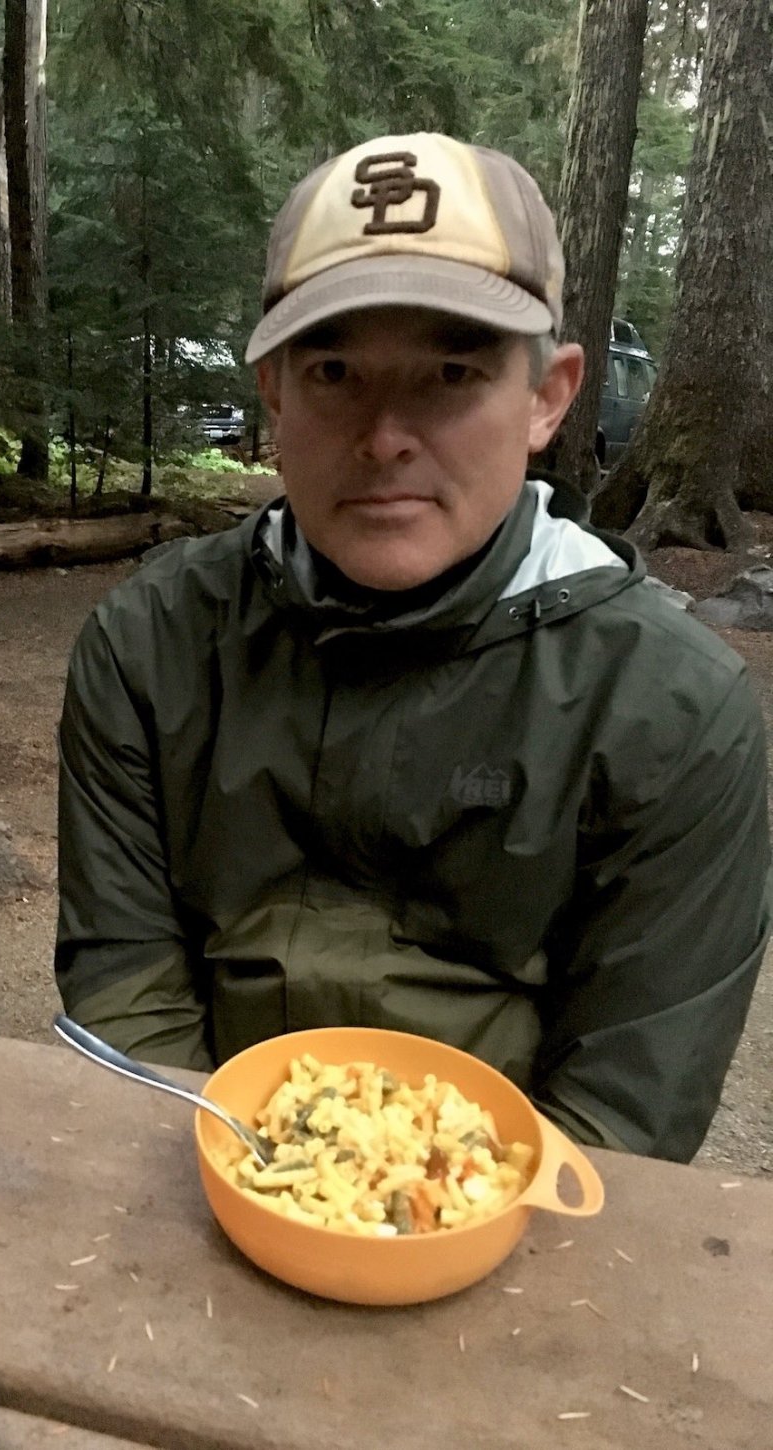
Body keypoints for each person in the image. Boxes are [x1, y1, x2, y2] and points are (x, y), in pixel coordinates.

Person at [53, 132, 770, 1162]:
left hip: (508, 1234)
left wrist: (430, 1225)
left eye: (448, 372)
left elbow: (627, 1108)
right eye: (335, 369)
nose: (384, 433)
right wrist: (238, 1199)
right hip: (197, 1185)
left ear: (547, 395)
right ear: (272, 392)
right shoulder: (152, 645)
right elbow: (125, 989)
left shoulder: (667, 707)